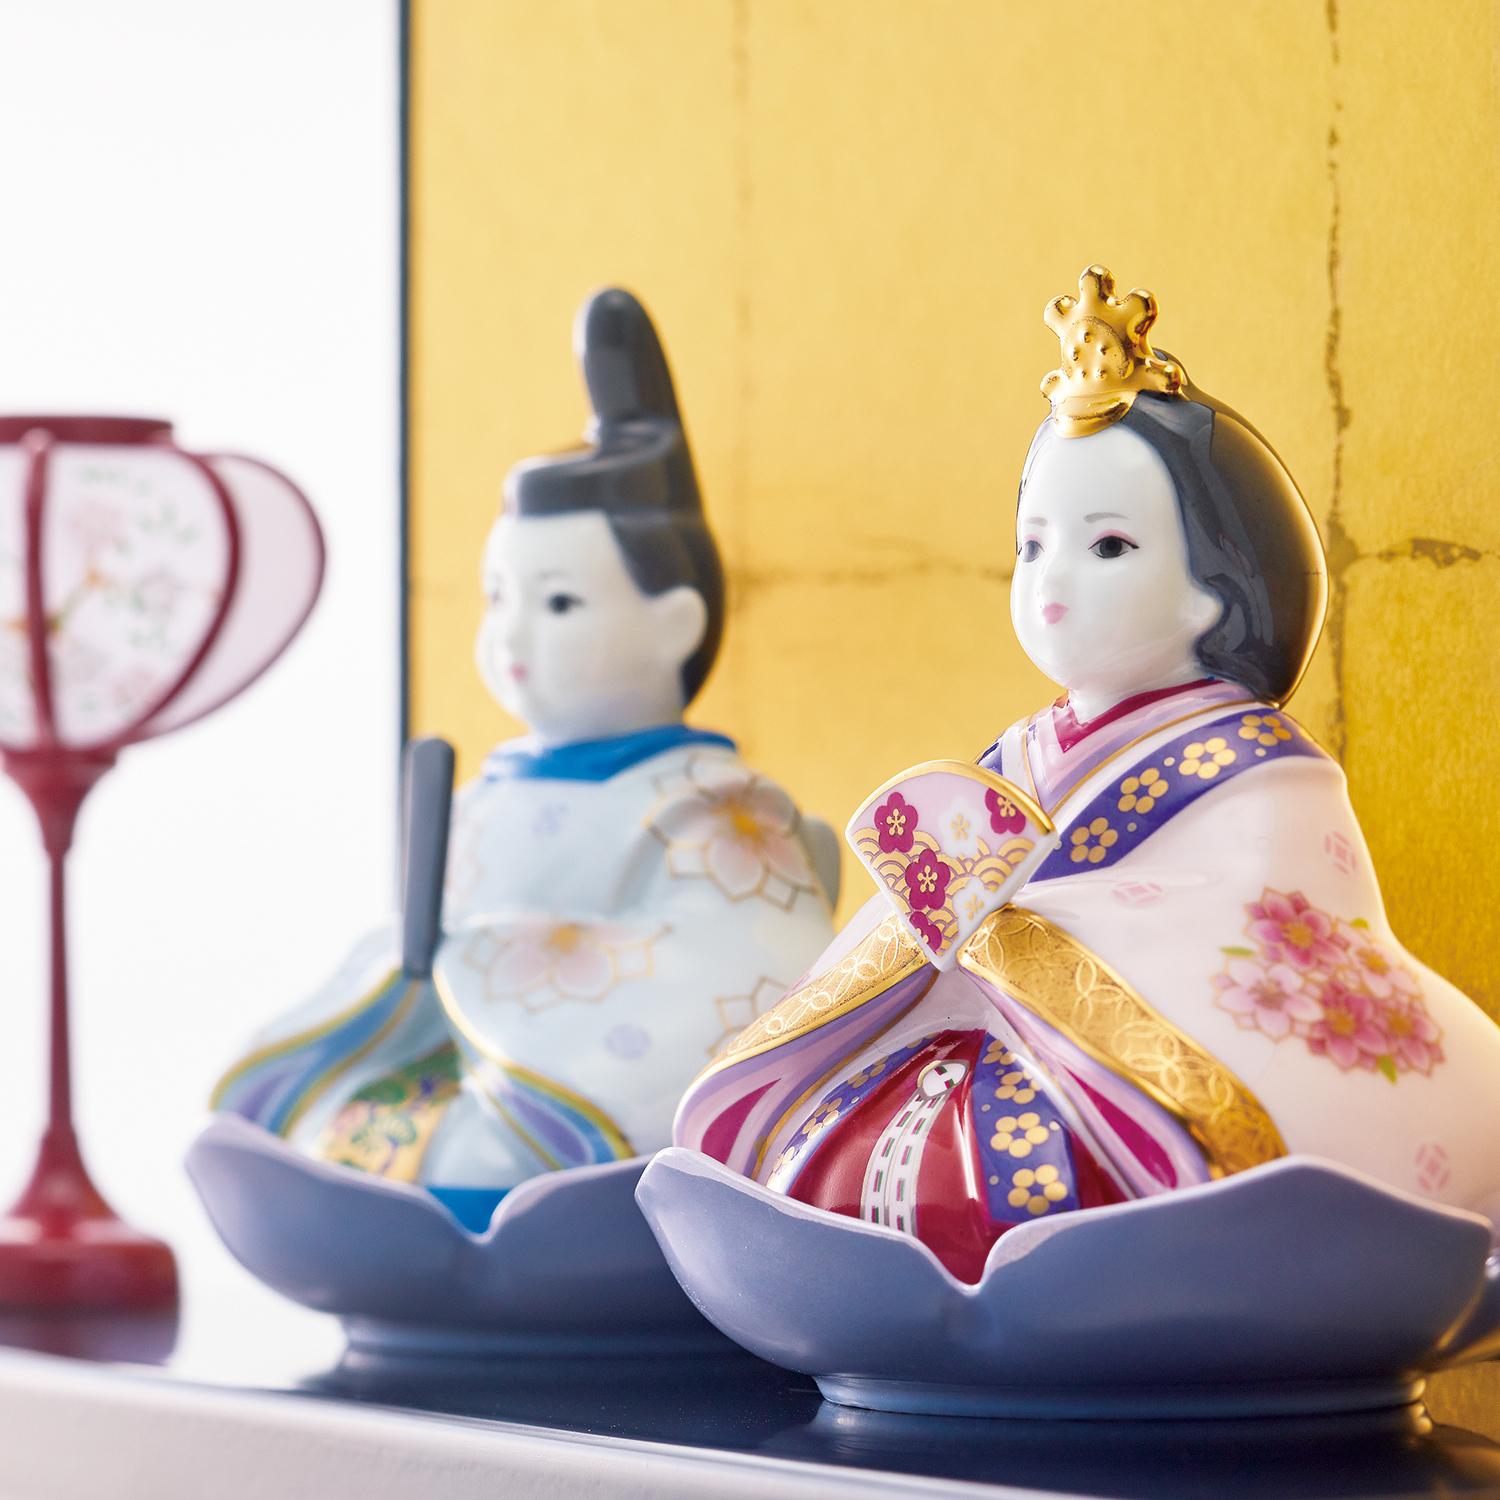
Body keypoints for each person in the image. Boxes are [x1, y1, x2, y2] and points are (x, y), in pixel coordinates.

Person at [673, 267, 1500, 1283]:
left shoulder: (1259, 768)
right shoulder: (1017, 754)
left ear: (1213, 591)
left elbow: (1272, 911)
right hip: (974, 1030)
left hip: (1117, 1065)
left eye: (1108, 545)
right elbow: (925, 905)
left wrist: (1025, 923)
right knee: (835, 1146)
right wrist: (934, 907)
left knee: (1072, 1186)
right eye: (1032, 545)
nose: (1052, 579)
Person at [213, 290, 837, 1230]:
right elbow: (422, 957)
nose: (511, 636)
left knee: (493, 1156)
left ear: (676, 624)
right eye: (497, 597)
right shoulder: (480, 798)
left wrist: (495, 956)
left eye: (558, 604)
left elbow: (751, 968)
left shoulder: (715, 807)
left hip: (566, 1106)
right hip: (462, 1067)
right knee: (341, 1124)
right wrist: (413, 960)